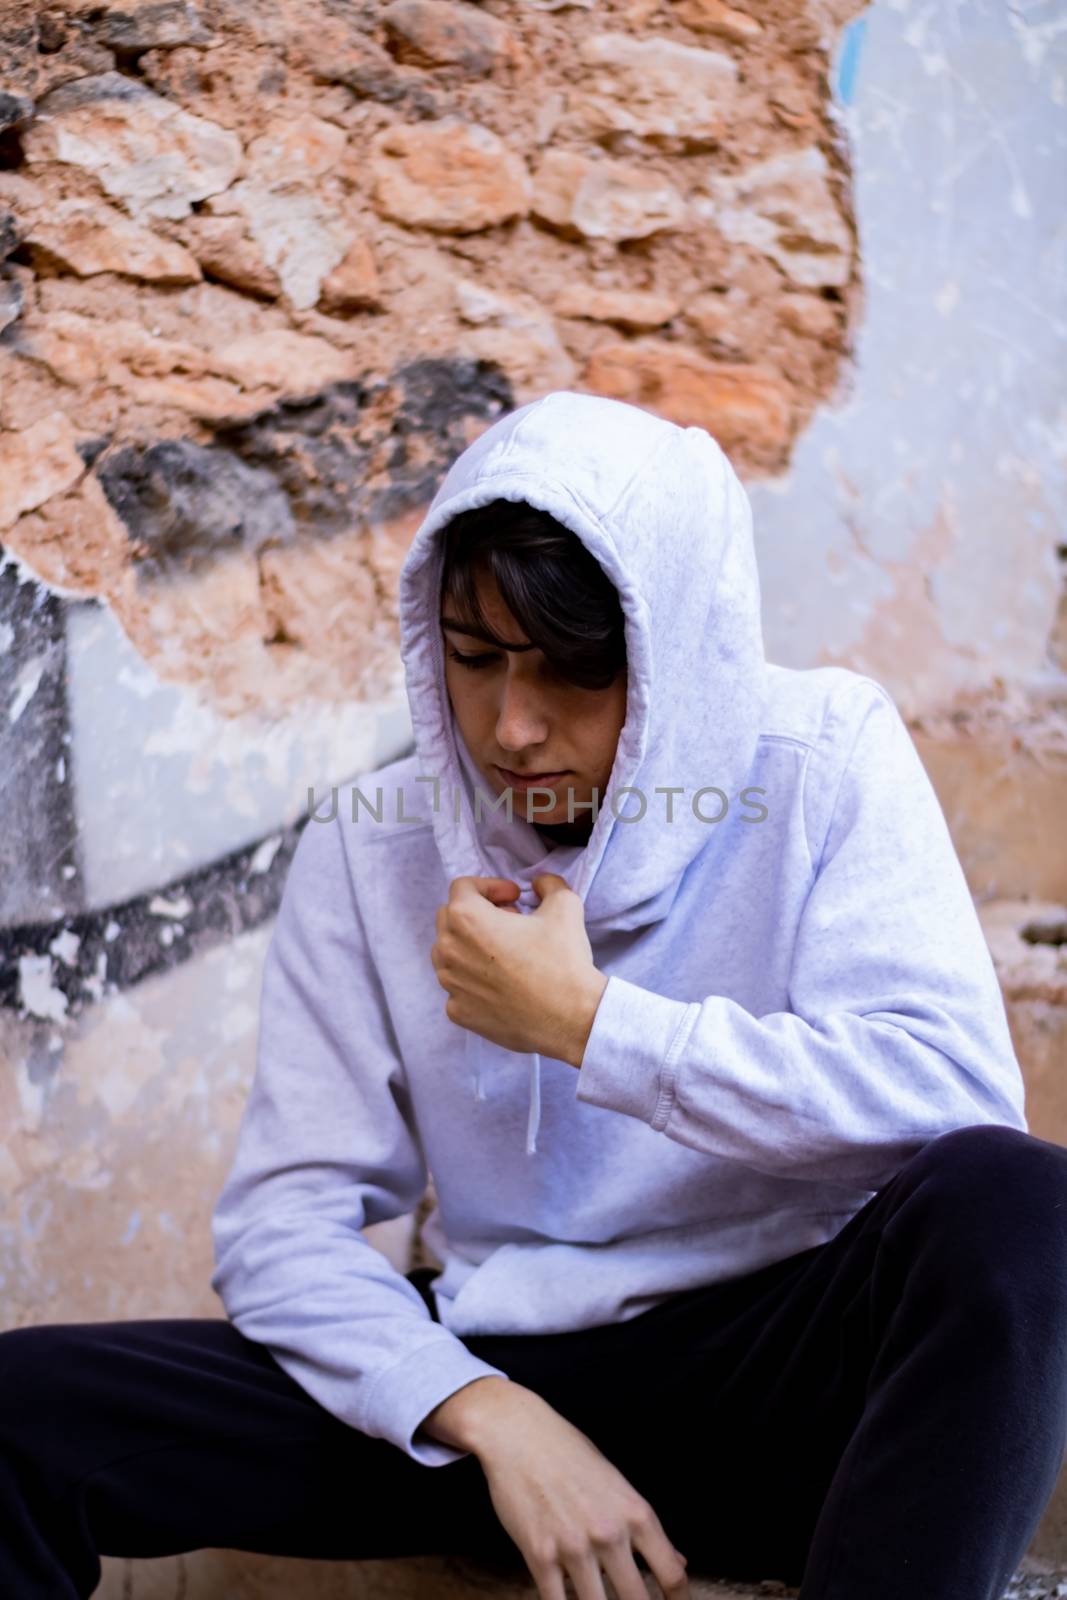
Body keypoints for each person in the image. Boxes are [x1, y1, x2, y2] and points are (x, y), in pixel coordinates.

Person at [2, 390, 1066, 1600]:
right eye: (472, 658)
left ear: (672, 659)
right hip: (490, 1374)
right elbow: (280, 1222)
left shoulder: (818, 761)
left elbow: (950, 1102)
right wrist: (489, 1414)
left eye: (572, 671)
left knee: (1018, 1199)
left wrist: (589, 1026)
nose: (511, 725)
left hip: (777, 1374)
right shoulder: (371, 844)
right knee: (20, 1410)